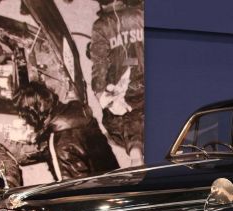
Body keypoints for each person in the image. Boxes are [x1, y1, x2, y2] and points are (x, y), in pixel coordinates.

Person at [13, 81, 119, 180]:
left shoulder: (58, 143)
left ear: (32, 115)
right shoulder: (80, 115)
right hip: (115, 181)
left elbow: (71, 187)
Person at [90, 0, 145, 167]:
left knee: (119, 117)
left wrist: (100, 94)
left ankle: (135, 152)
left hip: (123, 91)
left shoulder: (100, 26)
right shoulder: (140, 14)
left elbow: (99, 66)